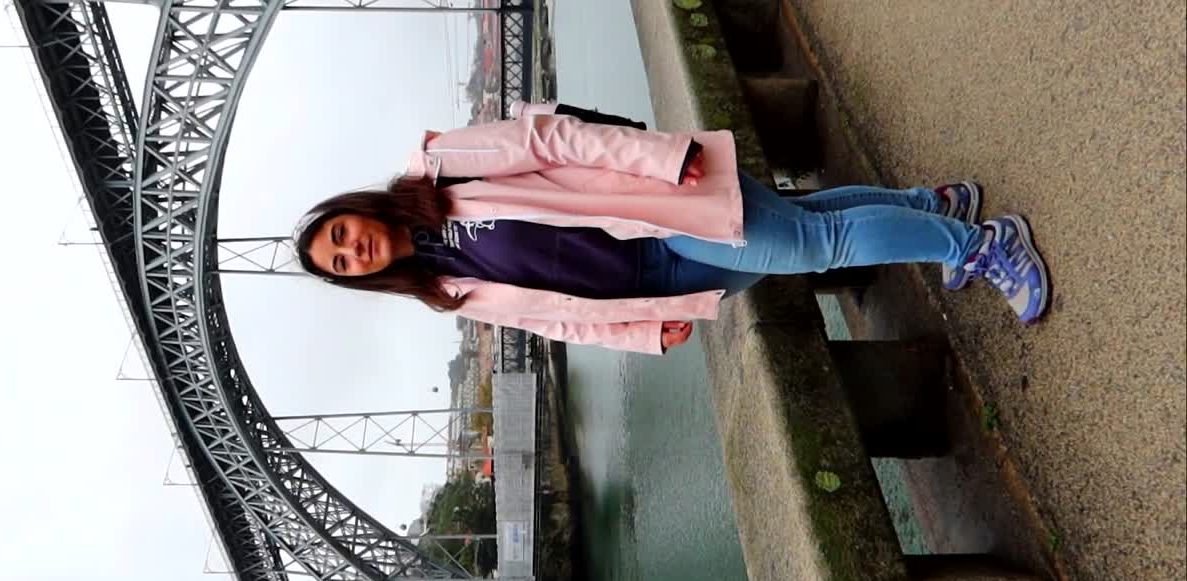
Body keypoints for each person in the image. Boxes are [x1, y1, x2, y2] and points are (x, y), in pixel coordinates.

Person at [294, 101, 1049, 355]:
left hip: (657, 216)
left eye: (338, 236)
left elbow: (548, 139)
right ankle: (932, 205)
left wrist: (663, 156)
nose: (350, 250)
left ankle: (983, 247)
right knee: (806, 226)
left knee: (819, 247)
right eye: (342, 265)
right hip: (660, 284)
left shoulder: (440, 166)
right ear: (360, 279)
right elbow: (556, 320)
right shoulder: (445, 291)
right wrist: (639, 335)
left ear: (351, 210)